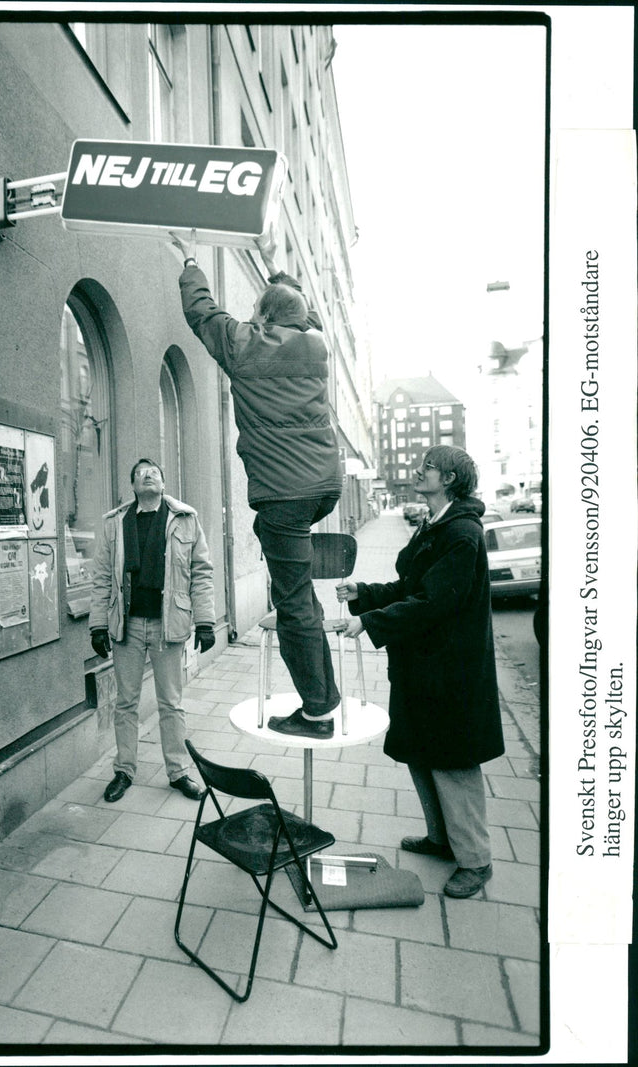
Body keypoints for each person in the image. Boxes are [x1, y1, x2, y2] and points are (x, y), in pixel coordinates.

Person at [170, 228, 343, 740]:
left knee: (290, 602)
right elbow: (298, 312)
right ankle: (324, 695)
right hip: (322, 488)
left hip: (284, 495)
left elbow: (202, 312)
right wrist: (275, 269)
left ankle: (316, 712)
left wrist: (190, 261)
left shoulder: (245, 347)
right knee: (300, 592)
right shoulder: (316, 347)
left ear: (262, 317)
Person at [337, 446, 504, 898]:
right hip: (424, 665)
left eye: (427, 466)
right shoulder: (436, 523)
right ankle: (441, 838)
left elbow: (435, 603)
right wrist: (364, 593)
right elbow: (412, 586)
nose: (417, 470)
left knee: (452, 762)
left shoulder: (461, 532)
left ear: (448, 478)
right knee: (421, 752)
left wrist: (368, 622)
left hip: (451, 672)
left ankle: (476, 860)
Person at [89, 459, 216, 803]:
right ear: (133, 486)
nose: (148, 476)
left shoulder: (185, 519)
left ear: (163, 483)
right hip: (126, 626)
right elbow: (102, 577)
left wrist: (205, 621)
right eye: (141, 474)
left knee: (171, 703)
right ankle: (124, 770)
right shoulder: (116, 523)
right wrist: (98, 624)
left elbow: (201, 572)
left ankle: (178, 772)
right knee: (125, 703)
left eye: (154, 472)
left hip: (167, 624)